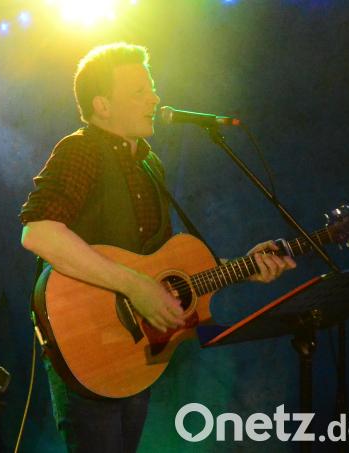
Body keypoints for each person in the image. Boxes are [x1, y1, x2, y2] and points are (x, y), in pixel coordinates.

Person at [19, 43, 296, 452]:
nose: (154, 98)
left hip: (134, 349)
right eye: (139, 91)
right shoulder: (80, 150)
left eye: (152, 89)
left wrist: (243, 266)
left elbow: (163, 266)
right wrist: (133, 286)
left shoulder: (150, 164)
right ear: (103, 105)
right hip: (85, 339)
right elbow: (37, 232)